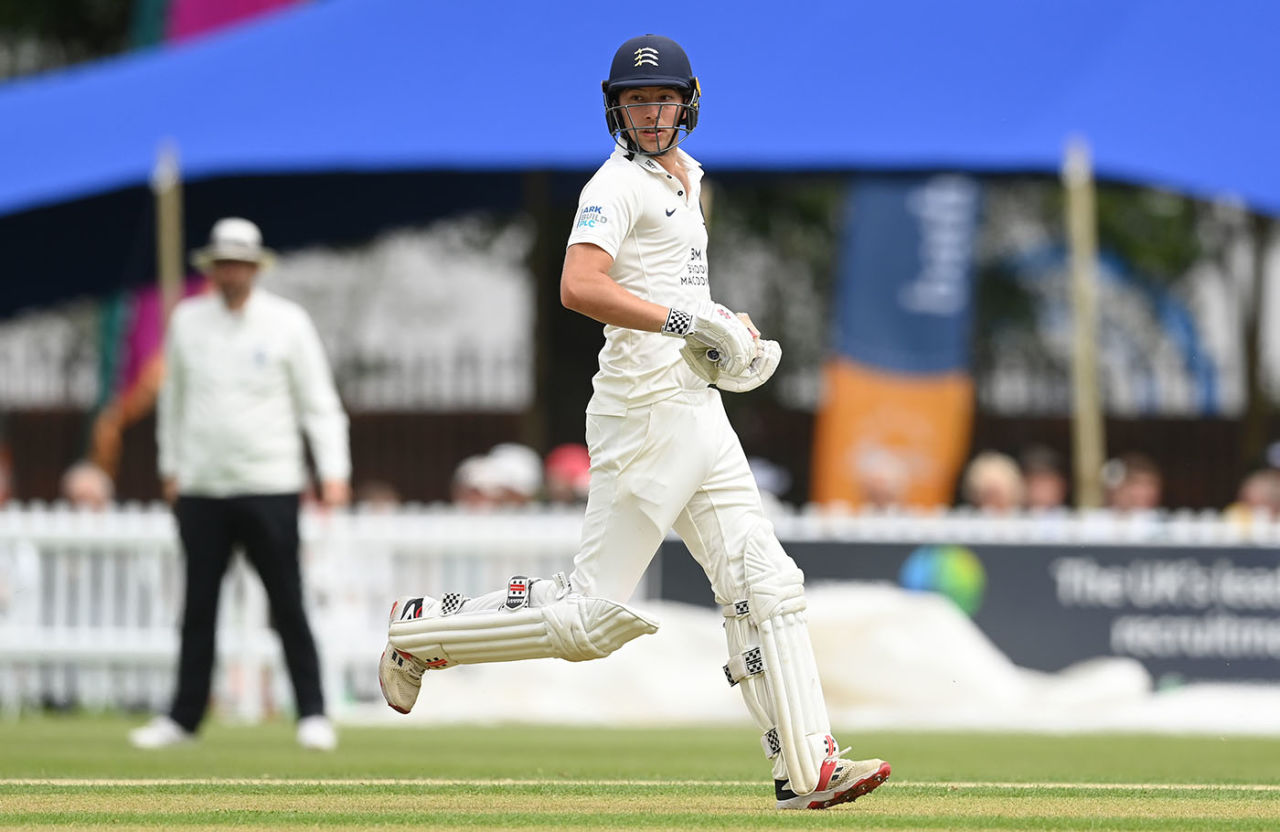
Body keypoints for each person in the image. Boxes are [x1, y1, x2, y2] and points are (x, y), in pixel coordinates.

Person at [376, 35, 889, 811]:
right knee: (589, 615)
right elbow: (580, 285)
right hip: (644, 413)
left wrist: (721, 327)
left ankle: (807, 768)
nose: (651, 114)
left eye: (664, 99)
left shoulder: (686, 179)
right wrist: (689, 321)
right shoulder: (614, 184)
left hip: (696, 406)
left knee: (765, 582)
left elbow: (668, 288)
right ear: (615, 106)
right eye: (637, 100)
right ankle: (421, 630)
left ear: (689, 103)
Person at [129, 217, 351, 751]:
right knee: (198, 607)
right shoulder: (187, 321)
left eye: (240, 264)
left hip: (269, 482)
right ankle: (184, 719)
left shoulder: (286, 322)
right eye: (223, 263)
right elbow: (174, 402)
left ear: (255, 268)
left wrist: (333, 471)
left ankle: (313, 712)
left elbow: (318, 402)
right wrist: (170, 467)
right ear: (213, 268)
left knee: (287, 602)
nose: (232, 272)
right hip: (203, 486)